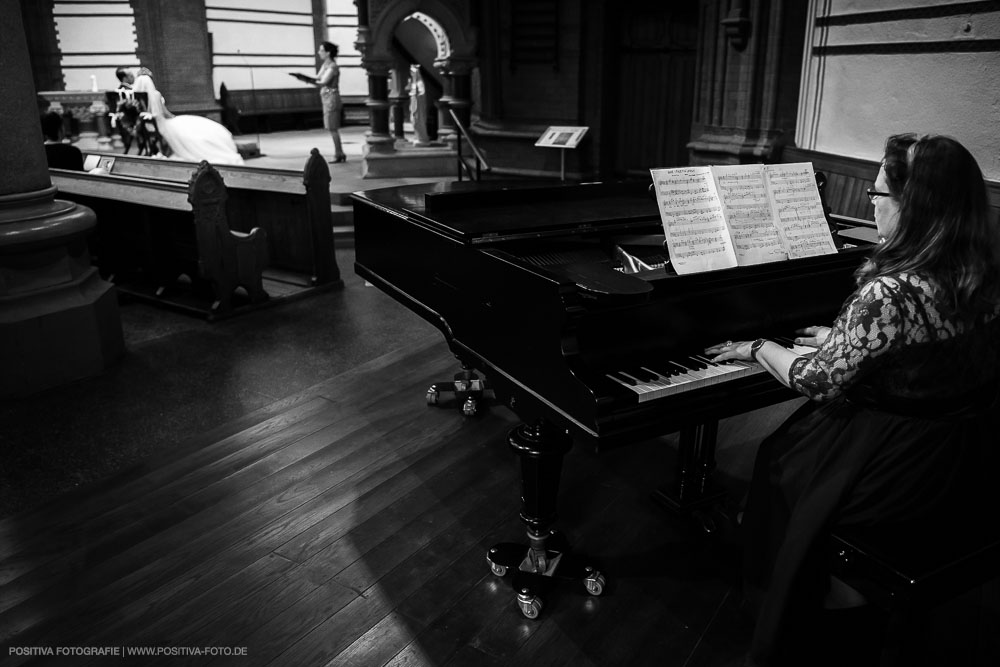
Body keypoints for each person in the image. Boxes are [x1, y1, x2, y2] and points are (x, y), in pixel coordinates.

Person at [706, 134, 1000, 666]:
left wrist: (757, 346)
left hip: (894, 464)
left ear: (915, 206)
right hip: (963, 453)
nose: (871, 202)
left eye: (878, 194)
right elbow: (926, 348)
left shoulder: (890, 293)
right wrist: (848, 341)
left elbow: (818, 382)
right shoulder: (980, 275)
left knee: (778, 461)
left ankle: (814, 605)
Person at [131, 72, 244, 165]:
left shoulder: (139, 98)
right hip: (164, 123)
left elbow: (146, 114)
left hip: (152, 125)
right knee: (193, 126)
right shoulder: (155, 94)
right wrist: (175, 118)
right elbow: (165, 114)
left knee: (189, 126)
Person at [310, 41, 347, 163]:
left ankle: (339, 153)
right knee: (331, 127)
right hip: (326, 97)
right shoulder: (326, 64)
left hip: (331, 98)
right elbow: (317, 77)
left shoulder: (333, 66)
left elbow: (323, 81)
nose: (319, 52)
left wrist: (305, 80)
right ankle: (339, 152)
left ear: (328, 52)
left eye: (321, 50)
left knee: (333, 127)